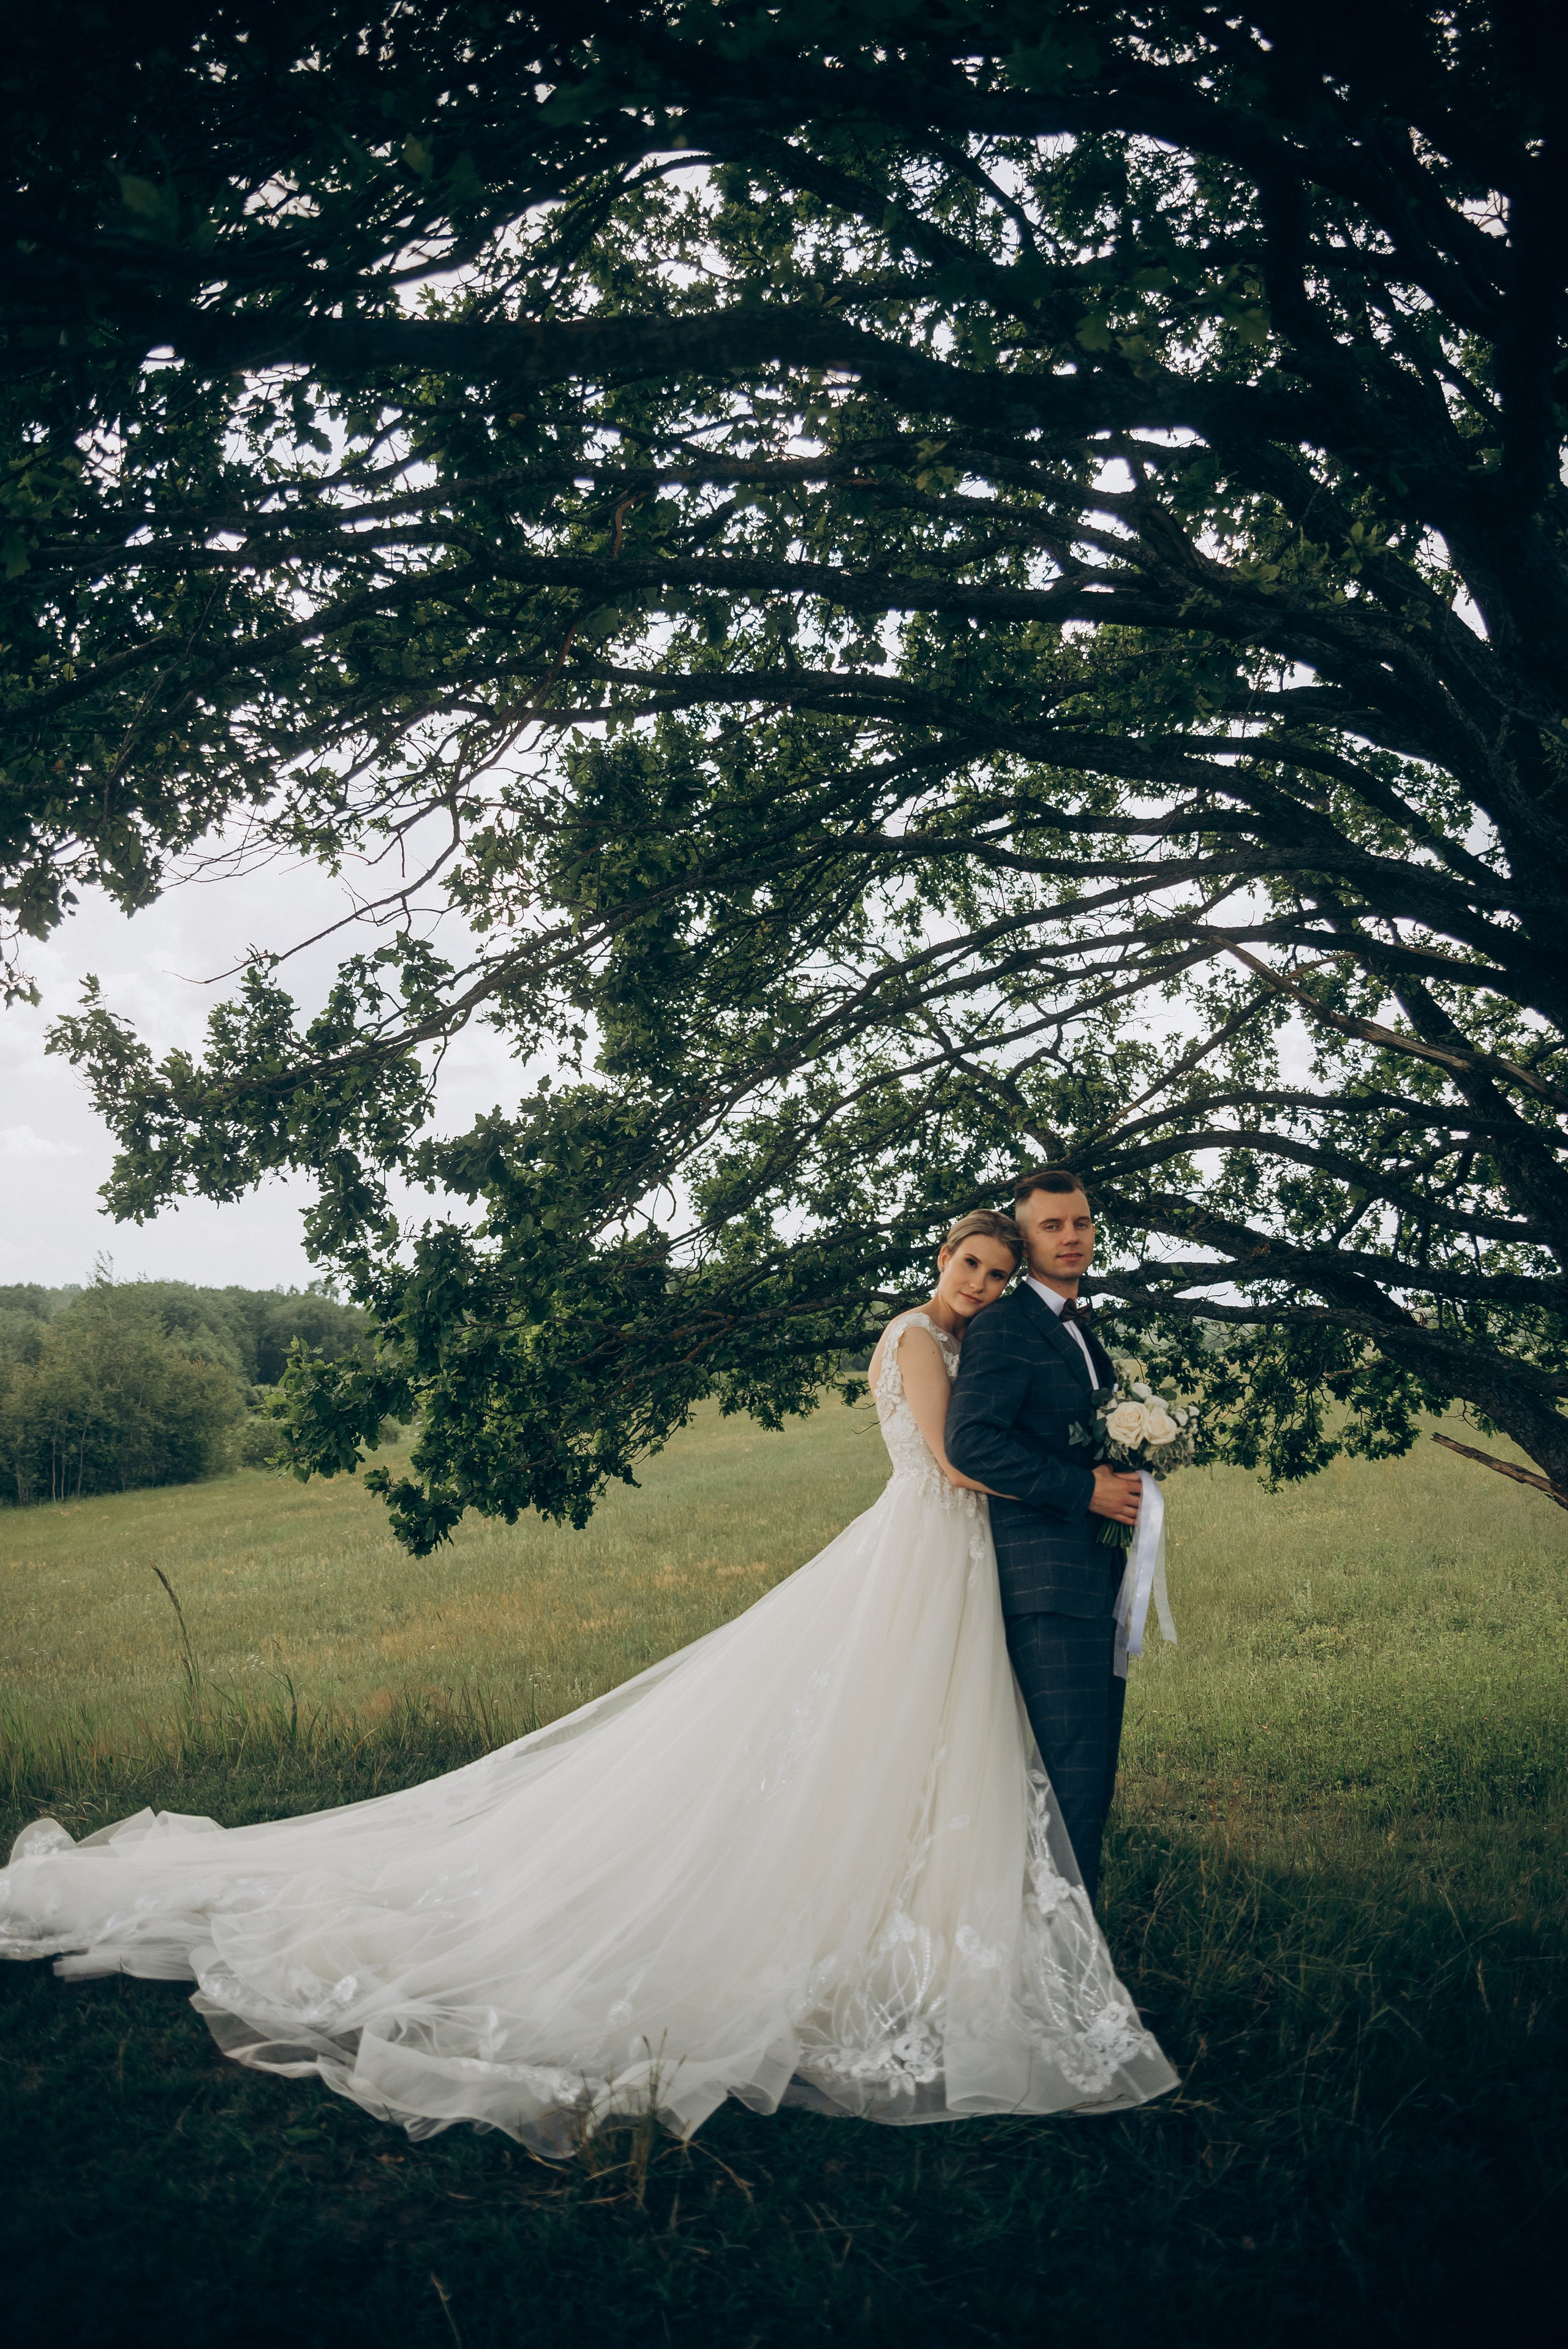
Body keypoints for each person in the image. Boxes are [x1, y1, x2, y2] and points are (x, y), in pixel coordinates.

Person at [0, 1209, 1174, 2152]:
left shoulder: (979, 1339)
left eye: (994, 1269)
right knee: (862, 1728)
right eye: (971, 1262)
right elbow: (959, 1462)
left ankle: (918, 1909)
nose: (979, 1281)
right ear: (943, 1258)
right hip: (927, 1546)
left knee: (918, 1740)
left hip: (959, 1564)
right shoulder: (920, 1340)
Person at [945, 1169, 1141, 1903]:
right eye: (1053, 1226)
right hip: (1046, 1586)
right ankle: (1069, 1966)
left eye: (1081, 1223)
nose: (1071, 1237)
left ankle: (1059, 1944)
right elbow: (972, 1443)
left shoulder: (1075, 1323)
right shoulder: (1005, 1324)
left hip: (1090, 1579)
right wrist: (1086, 1488)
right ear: (1023, 1241)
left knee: (1084, 1774)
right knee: (1071, 1781)